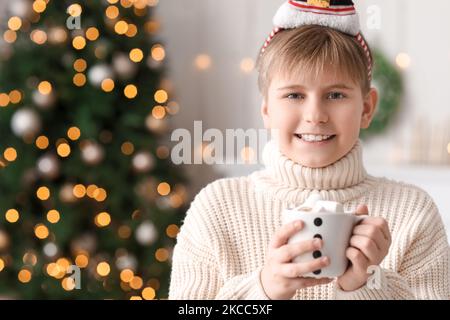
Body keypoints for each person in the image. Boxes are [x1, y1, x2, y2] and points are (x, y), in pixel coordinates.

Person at [168, 0, 450, 300]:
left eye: (336, 94)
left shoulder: (413, 212)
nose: (315, 115)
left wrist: (366, 286)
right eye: (293, 95)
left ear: (367, 108)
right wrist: (264, 290)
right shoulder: (217, 208)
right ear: (266, 109)